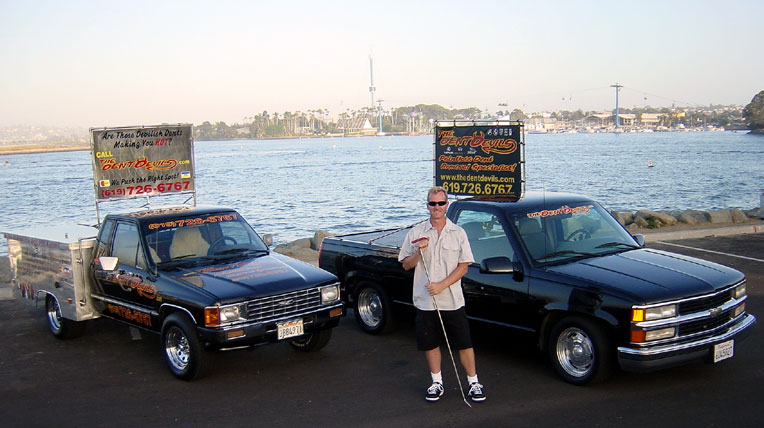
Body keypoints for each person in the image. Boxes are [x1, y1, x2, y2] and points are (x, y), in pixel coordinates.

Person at [398, 186, 485, 403]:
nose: (436, 207)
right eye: (432, 203)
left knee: (464, 343)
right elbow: (406, 265)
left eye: (440, 203)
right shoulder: (416, 233)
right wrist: (419, 252)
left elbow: (464, 266)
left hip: (452, 300)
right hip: (425, 301)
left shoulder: (458, 233)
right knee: (431, 342)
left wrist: (442, 285)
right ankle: (436, 382)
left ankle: (473, 382)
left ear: (446, 205)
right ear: (427, 205)